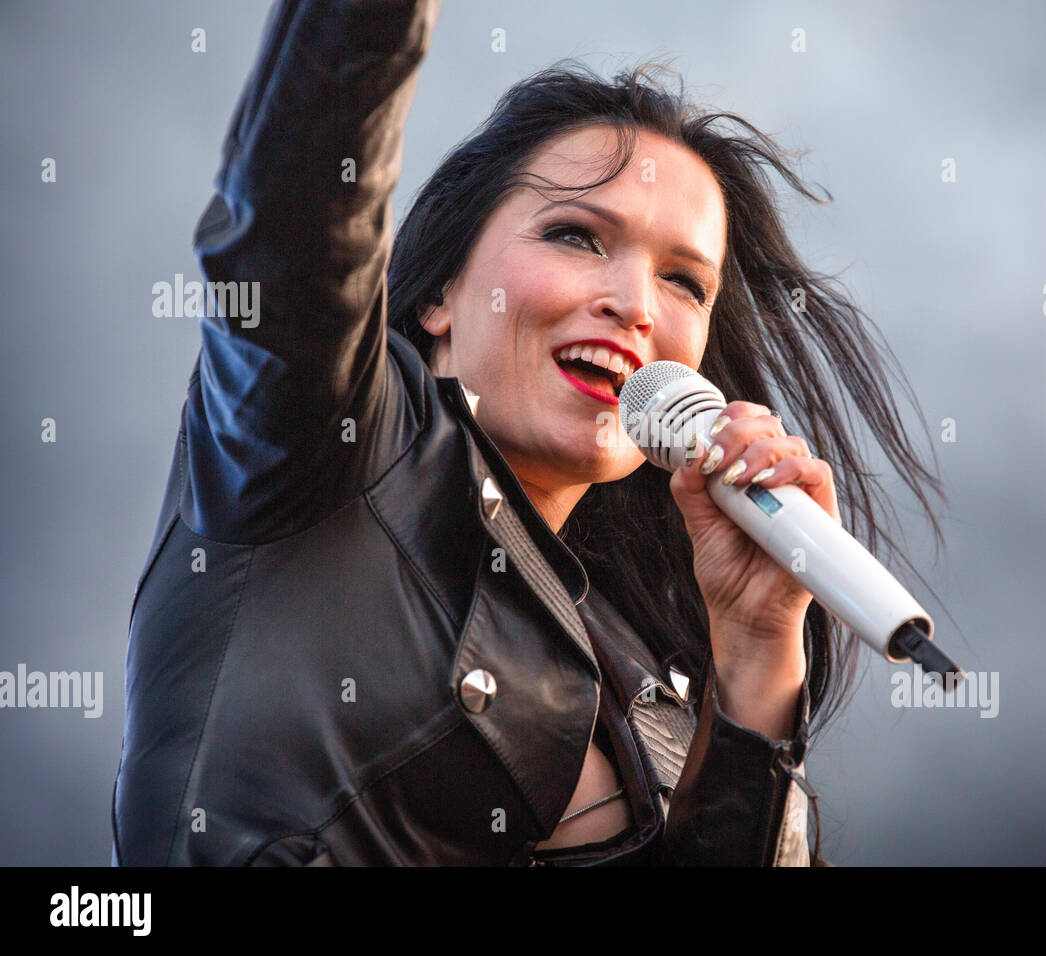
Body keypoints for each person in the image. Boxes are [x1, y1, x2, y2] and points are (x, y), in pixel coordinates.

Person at [112, 0, 945, 866]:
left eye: (686, 284)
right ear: (436, 298)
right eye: (577, 237)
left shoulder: (647, 687)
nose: (636, 304)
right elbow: (290, 210)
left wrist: (758, 651)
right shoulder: (327, 443)